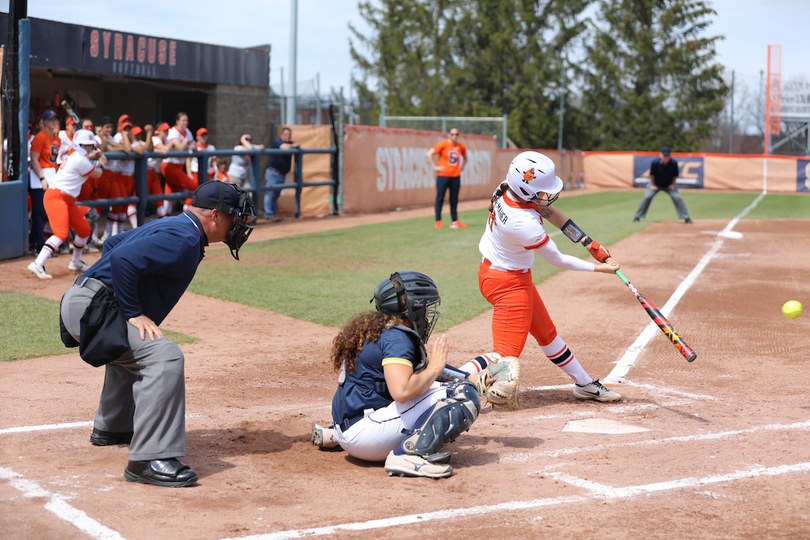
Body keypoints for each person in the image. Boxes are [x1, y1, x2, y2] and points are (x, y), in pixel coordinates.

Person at [59, 180, 256, 487]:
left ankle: (113, 426)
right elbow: (123, 259)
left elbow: (113, 246)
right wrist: (132, 311)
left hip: (87, 301)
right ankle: (149, 459)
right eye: (235, 218)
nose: (240, 225)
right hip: (92, 308)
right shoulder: (184, 238)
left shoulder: (177, 225)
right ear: (215, 216)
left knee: (140, 345)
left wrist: (115, 299)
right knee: (164, 357)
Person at [478, 151, 622, 402]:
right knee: (504, 357)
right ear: (526, 189)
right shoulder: (523, 223)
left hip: (505, 275)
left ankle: (585, 384)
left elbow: (553, 213)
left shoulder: (506, 189)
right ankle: (450, 384)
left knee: (547, 334)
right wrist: (601, 269)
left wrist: (589, 243)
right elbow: (558, 260)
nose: (546, 196)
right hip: (507, 284)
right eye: (541, 191)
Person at [322, 271, 496, 478]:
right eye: (424, 309)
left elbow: (420, 370)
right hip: (366, 438)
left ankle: (335, 434)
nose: (426, 316)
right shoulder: (398, 339)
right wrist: (436, 369)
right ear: (412, 309)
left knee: (445, 386)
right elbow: (402, 391)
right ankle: (409, 455)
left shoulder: (377, 329)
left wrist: (473, 379)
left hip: (348, 430)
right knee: (461, 395)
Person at [27, 130, 108, 279]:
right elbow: (97, 173)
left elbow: (83, 158)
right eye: (86, 145)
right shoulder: (79, 159)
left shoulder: (74, 153)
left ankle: (75, 261)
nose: (89, 148)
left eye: (91, 145)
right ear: (79, 144)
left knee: (84, 230)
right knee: (61, 233)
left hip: (67, 199)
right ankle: (38, 263)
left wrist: (92, 155)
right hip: (56, 196)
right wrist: (101, 163)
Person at [29, 110, 62, 255]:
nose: (53, 122)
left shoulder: (57, 138)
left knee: (46, 211)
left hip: (52, 177)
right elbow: (34, 159)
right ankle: (39, 245)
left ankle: (34, 242)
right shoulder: (40, 137)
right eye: (50, 120)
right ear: (44, 122)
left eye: (55, 119)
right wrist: (42, 178)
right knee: (40, 211)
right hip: (39, 178)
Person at [633, 146, 692, 224]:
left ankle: (686, 217)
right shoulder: (655, 162)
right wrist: (653, 185)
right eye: (664, 156)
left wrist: (672, 184)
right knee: (647, 196)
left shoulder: (673, 163)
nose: (666, 157)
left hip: (668, 184)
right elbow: (652, 175)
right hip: (655, 183)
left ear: (670, 156)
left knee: (677, 197)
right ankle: (637, 216)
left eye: (667, 156)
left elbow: (675, 175)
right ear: (660, 155)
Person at [426, 128, 467, 229]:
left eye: (456, 134)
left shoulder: (460, 146)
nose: (454, 136)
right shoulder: (443, 144)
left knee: (454, 199)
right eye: (452, 134)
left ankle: (454, 221)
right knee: (440, 198)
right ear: (449, 135)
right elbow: (429, 153)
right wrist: (435, 166)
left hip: (455, 176)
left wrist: (462, 166)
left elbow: (466, 158)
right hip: (443, 176)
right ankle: (438, 221)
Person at [264, 126, 299, 220]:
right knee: (270, 193)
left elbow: (298, 144)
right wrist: (293, 145)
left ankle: (273, 214)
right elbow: (285, 148)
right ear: (282, 135)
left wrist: (294, 144)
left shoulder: (290, 143)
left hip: (282, 174)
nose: (288, 136)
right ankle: (268, 214)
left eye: (289, 134)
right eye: (286, 134)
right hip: (273, 173)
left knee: (276, 195)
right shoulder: (278, 141)